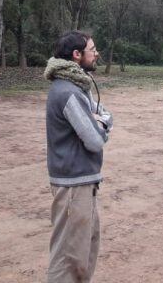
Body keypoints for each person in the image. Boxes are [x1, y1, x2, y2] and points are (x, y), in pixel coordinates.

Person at [44, 30, 113, 283]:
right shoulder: (68, 92)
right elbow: (94, 141)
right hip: (73, 185)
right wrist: (102, 126)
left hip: (84, 182)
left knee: (85, 250)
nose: (96, 54)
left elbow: (103, 114)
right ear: (77, 55)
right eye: (92, 49)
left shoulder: (77, 86)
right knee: (68, 257)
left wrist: (100, 122)